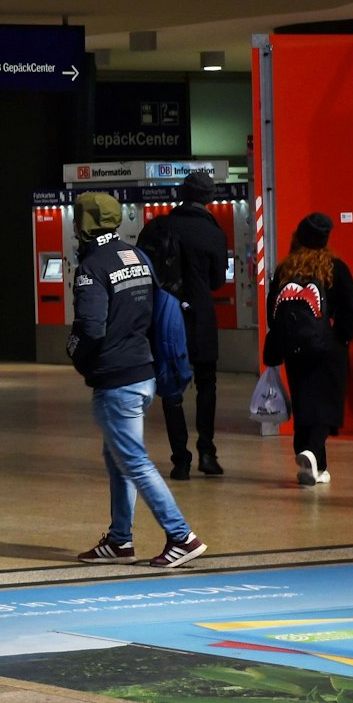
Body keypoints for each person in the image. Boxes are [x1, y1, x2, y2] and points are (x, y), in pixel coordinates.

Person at [68, 192, 207, 568]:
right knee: (118, 457)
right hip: (143, 372)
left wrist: (74, 352)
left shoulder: (92, 267)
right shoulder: (138, 257)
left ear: (83, 224)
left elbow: (91, 329)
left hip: (117, 380)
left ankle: (181, 536)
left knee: (134, 460)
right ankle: (119, 541)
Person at [141, 171, 227, 479]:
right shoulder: (214, 233)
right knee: (207, 385)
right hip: (201, 316)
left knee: (171, 387)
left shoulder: (161, 226)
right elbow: (218, 281)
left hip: (167, 315)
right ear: (209, 198)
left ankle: (180, 459)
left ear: (182, 193)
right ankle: (207, 452)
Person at [264, 214, 353, 487]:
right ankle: (312, 453)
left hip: (295, 350)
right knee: (326, 406)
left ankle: (315, 466)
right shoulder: (335, 268)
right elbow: (350, 310)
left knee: (305, 402)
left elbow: (274, 314)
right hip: (328, 348)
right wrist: (340, 337)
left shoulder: (284, 271)